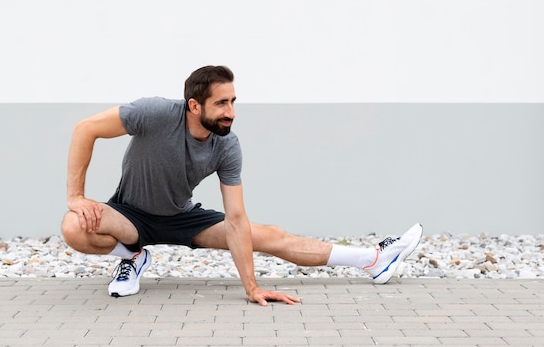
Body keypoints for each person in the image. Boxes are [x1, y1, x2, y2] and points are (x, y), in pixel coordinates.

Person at [61, 65, 423, 306]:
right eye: (221, 103)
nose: (231, 111)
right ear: (193, 105)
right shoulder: (154, 113)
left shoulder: (227, 145)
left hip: (182, 217)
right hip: (129, 215)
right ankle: (133, 256)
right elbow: (85, 129)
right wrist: (76, 197)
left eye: (233, 101)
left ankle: (375, 260)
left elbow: (236, 220)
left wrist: (250, 287)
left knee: (269, 236)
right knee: (73, 227)